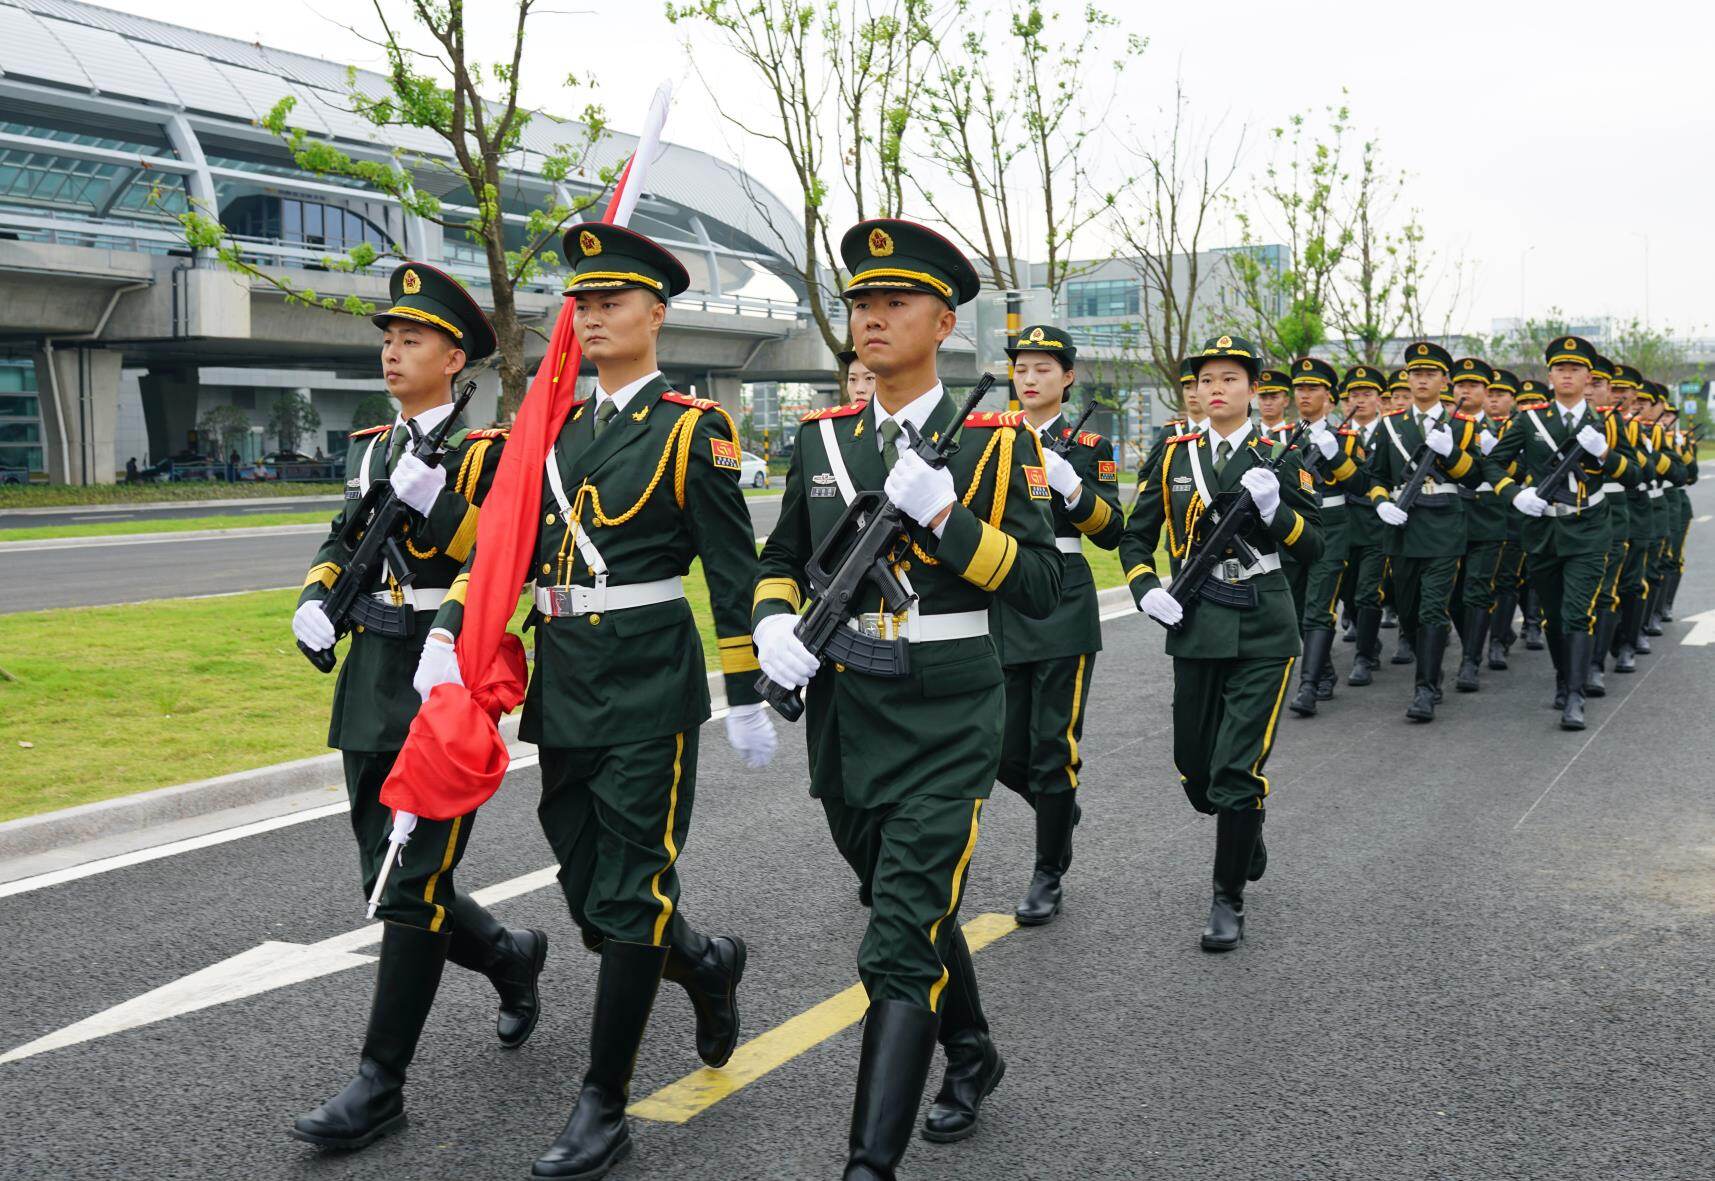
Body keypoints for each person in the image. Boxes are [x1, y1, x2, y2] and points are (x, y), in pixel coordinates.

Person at [417, 224, 772, 1181]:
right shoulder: (557, 432)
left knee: (629, 891)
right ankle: (701, 962)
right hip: (566, 676)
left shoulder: (693, 430)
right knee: (588, 891)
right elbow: (507, 550)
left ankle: (601, 1104)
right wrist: (454, 626)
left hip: (650, 678)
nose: (594, 315)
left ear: (657, 312)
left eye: (613, 300)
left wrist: (744, 690)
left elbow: (733, 576)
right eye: (583, 301)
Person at [752, 218, 1061, 1179]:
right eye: (859, 302)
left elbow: (1044, 587)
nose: (871, 317)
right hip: (848, 714)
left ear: (942, 320)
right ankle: (969, 1050)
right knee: (903, 905)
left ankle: (866, 1163)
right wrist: (773, 623)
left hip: (945, 714)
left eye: (893, 302)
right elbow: (775, 559)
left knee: (894, 941)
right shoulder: (821, 439)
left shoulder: (996, 442)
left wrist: (946, 517)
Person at [288, 262, 539, 1151]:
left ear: (454, 356)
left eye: (411, 341)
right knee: (386, 876)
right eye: (388, 340)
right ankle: (510, 954)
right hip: (371, 672)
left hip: (441, 672)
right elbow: (341, 536)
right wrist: (318, 594)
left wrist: (442, 518)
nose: (393, 354)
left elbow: (504, 559)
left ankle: (379, 1083)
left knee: (412, 879)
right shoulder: (372, 446)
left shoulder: (489, 453)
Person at [1121, 334, 1323, 950]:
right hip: (1195, 619)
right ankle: (1244, 822)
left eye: (1230, 380)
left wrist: (1275, 510)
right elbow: (1136, 537)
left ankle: (1227, 899)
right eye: (1205, 380)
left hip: (1263, 620)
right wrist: (1144, 587)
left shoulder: (1282, 455)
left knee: (1237, 768)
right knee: (1196, 770)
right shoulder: (1174, 453)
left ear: (1254, 391)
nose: (1215, 389)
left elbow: (1313, 545)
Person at [993, 324, 1124, 924]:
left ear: (1067, 378)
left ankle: (1048, 872)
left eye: (1043, 368)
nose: (1029, 377)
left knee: (1052, 744)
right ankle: (1057, 807)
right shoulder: (993, 438)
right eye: (1021, 368)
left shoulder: (1091, 442)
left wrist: (1073, 489)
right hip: (1004, 595)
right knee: (997, 745)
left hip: (1063, 602)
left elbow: (1112, 529)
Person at [1481, 335, 1635, 730]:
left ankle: (1576, 696)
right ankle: (1563, 678)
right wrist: (1515, 495)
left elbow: (1637, 474)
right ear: (1550, 376)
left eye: (1576, 369)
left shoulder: (1608, 423)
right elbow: (1494, 464)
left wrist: (1604, 453)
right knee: (1551, 616)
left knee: (1576, 614)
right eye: (1560, 369)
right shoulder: (1530, 420)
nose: (1568, 375)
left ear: (1588, 377)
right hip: (1543, 528)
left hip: (1588, 528)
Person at [1364, 342, 1486, 722]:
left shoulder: (1463, 427)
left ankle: (1426, 689)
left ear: (1444, 380)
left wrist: (1452, 454)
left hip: (1444, 524)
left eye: (1430, 373)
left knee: (1434, 608)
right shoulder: (1390, 426)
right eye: (1416, 373)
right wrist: (1381, 501)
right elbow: (1375, 475)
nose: (1421, 379)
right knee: (1410, 611)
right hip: (1402, 527)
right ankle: (1429, 674)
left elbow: (1478, 476)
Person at [1287, 360, 1389, 716]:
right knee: (1297, 608)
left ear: (1328, 396)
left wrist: (1336, 456)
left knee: (1319, 607)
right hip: (1291, 528)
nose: (1304, 395)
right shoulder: (1281, 437)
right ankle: (1324, 670)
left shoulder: (1346, 437)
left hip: (1331, 524)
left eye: (1312, 388)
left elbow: (1362, 484)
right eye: (1299, 388)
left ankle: (1309, 685)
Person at [1447, 358, 1509, 693]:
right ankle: (1473, 638)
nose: (1465, 391)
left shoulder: (1502, 430)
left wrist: (1497, 453)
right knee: (1453, 595)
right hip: (1450, 517)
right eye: (1460, 385)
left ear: (1486, 392)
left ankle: (1470, 660)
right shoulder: (1445, 427)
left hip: (1487, 517)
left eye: (1473, 386)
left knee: (1477, 589)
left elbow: (1520, 468)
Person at [1340, 369, 1393, 686]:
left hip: (1375, 522)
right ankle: (1369, 643)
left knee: (1368, 592)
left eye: (1366, 394)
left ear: (1378, 399)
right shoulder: (1337, 433)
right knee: (1347, 591)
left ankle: (1363, 657)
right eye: (1354, 395)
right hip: (1344, 524)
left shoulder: (1390, 432)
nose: (1360, 401)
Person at [1482, 369, 1524, 670]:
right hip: (1479, 513)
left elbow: (1526, 469)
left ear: (1512, 399)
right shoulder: (1467, 424)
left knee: (1506, 579)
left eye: (1501, 394)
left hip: (1511, 512)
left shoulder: (1521, 425)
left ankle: (1497, 640)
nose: (1495, 399)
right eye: (1491, 394)